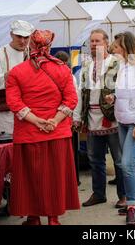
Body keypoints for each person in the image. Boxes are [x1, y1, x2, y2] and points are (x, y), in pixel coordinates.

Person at [5, 29, 79, 225]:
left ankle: (33, 218)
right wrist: (54, 120)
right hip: (57, 133)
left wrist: (36, 120)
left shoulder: (16, 72)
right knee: (55, 179)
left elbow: (14, 103)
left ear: (31, 45)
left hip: (28, 134)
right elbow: (71, 99)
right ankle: (53, 219)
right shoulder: (63, 69)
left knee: (30, 180)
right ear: (49, 46)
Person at [73, 29, 126, 208]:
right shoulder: (86, 66)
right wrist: (77, 117)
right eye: (92, 42)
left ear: (106, 43)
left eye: (98, 41)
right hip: (92, 119)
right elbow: (80, 93)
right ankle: (98, 194)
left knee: (119, 159)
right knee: (95, 159)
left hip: (112, 117)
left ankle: (124, 195)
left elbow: (125, 88)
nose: (94, 45)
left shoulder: (117, 63)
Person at [106, 32, 135, 225]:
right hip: (124, 121)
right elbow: (130, 92)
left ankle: (131, 205)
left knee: (125, 164)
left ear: (125, 48)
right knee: (133, 163)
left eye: (116, 47)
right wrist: (115, 98)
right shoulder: (125, 66)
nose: (113, 50)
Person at [0, 20, 34, 137]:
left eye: (26, 37)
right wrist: (9, 76)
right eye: (19, 36)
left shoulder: (33, 54)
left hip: (31, 113)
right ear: (11, 34)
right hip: (6, 115)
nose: (23, 41)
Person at [55, 51, 80, 185]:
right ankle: (71, 179)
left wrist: (75, 118)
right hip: (63, 117)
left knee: (69, 151)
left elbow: (74, 99)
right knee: (67, 152)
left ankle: (72, 179)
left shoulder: (70, 76)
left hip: (65, 117)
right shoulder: (68, 75)